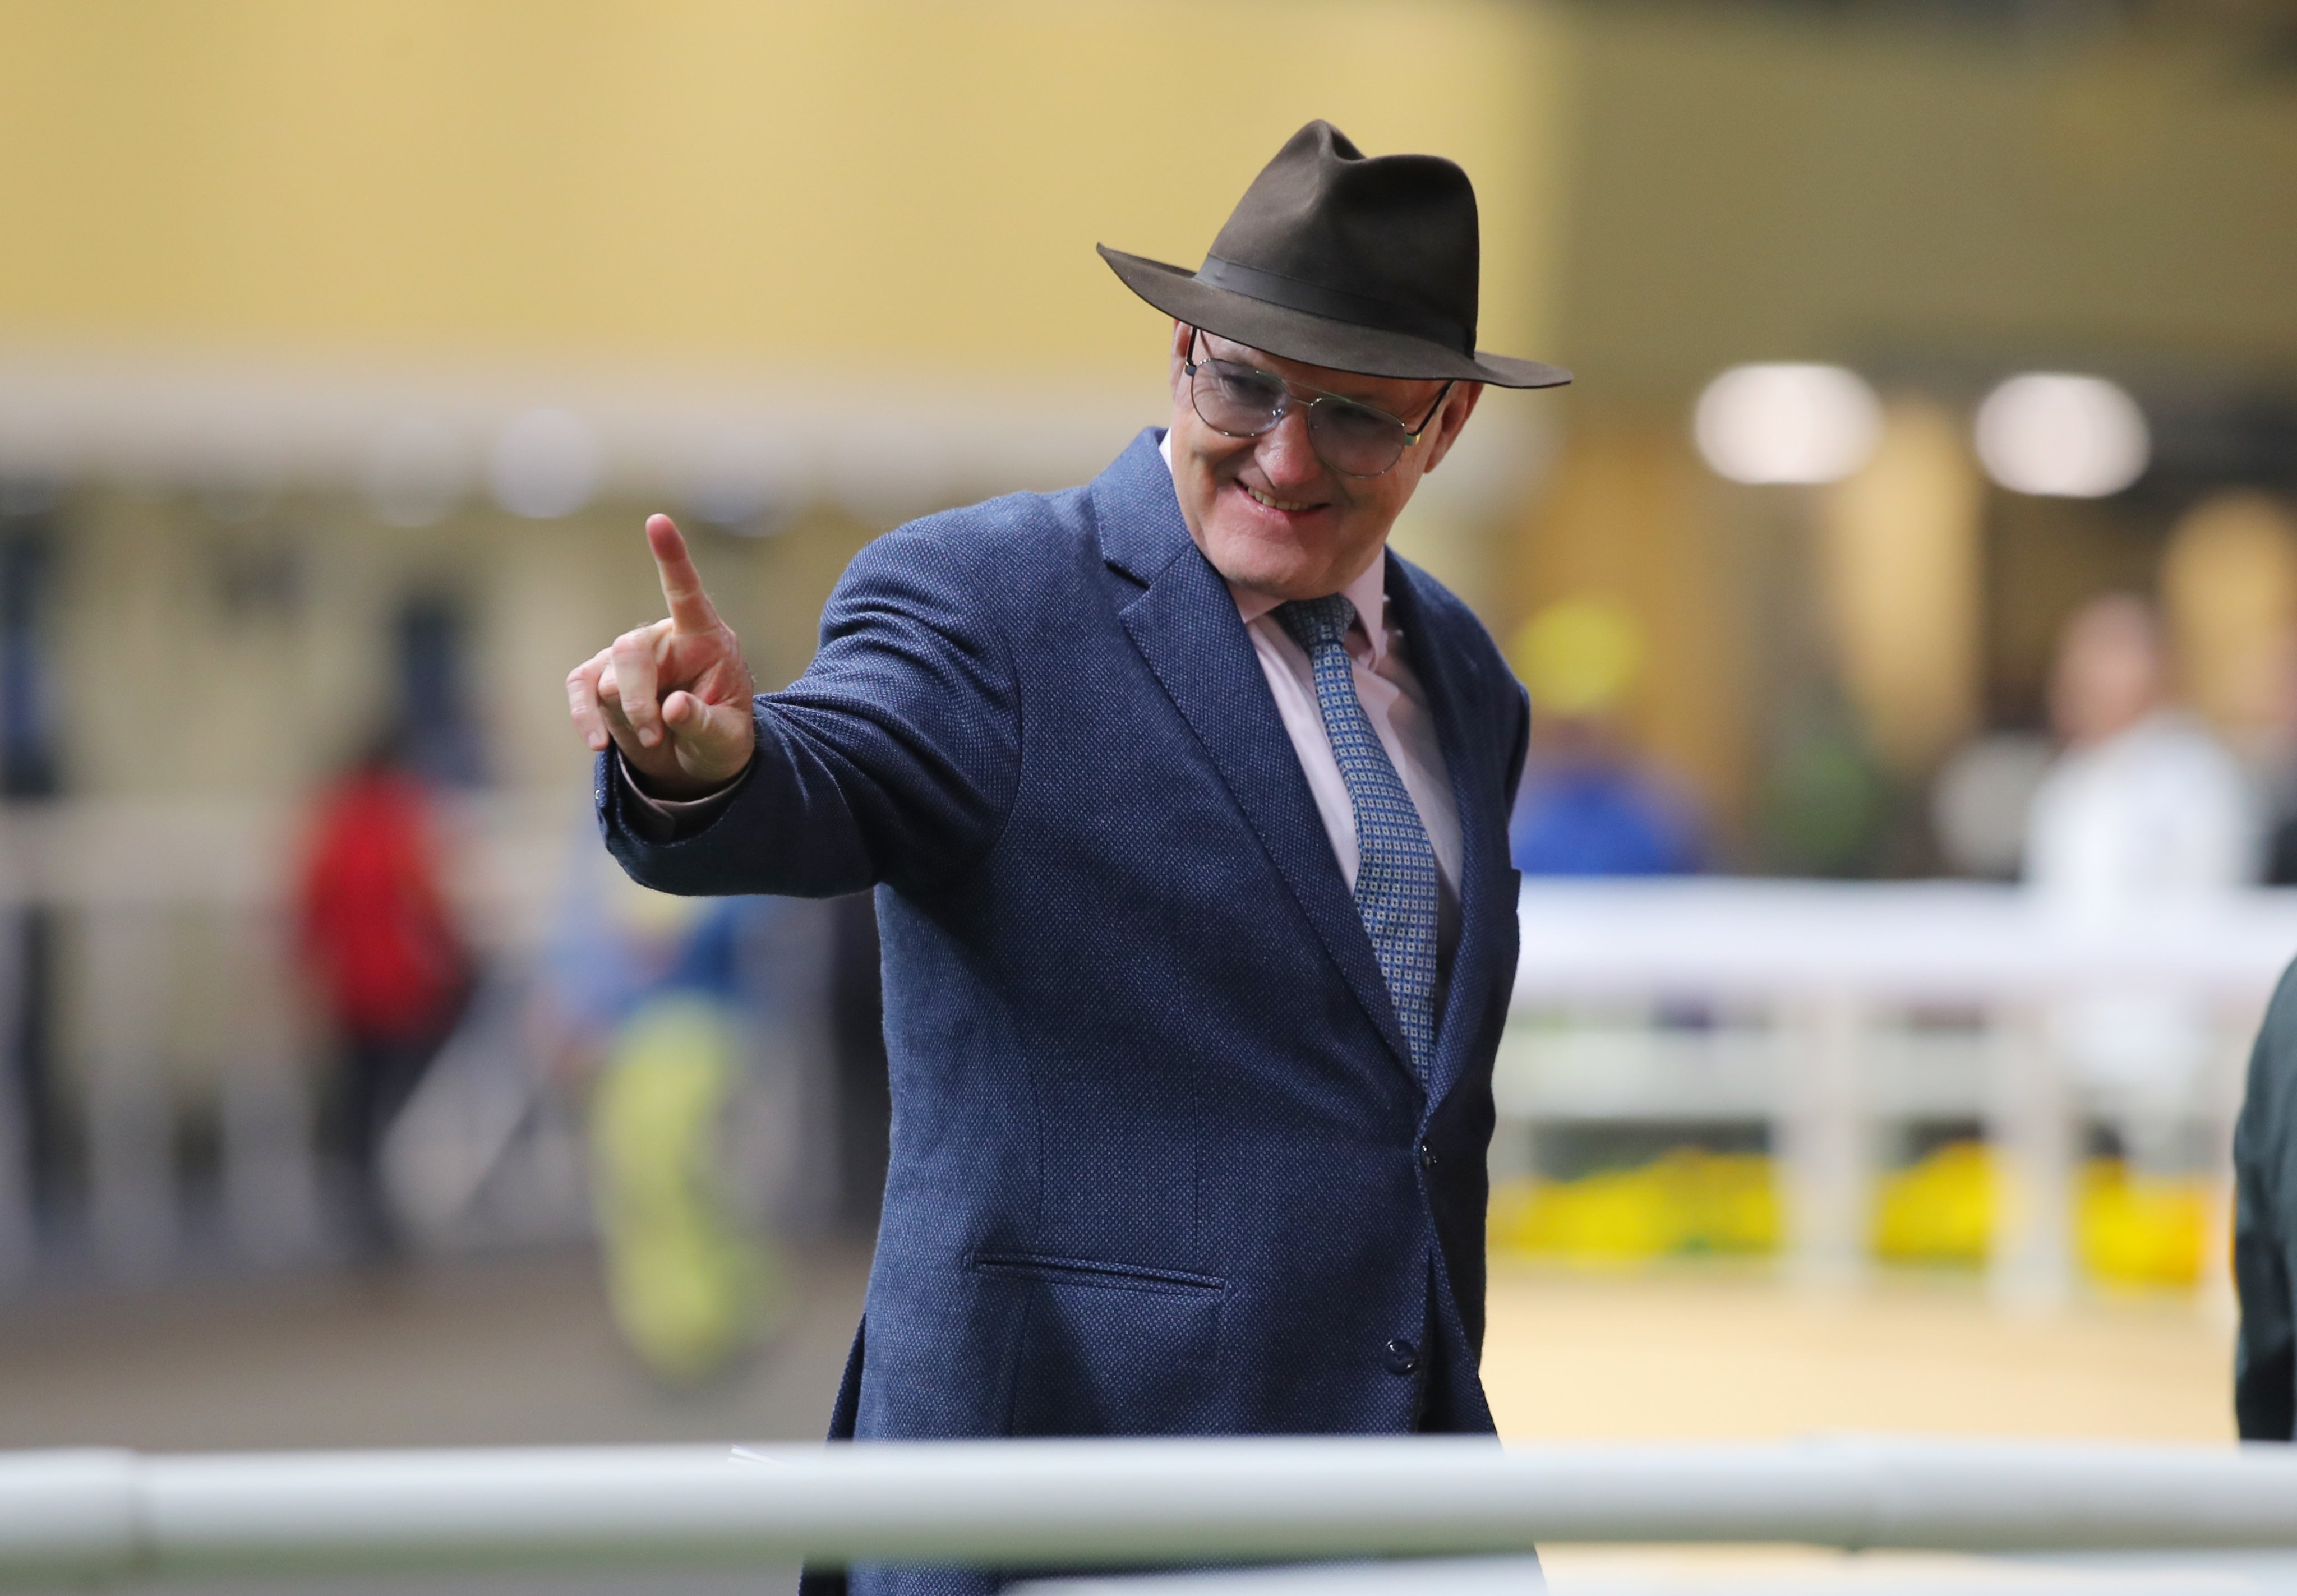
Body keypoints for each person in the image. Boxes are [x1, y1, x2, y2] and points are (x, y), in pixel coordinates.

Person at [566, 122, 1568, 1594]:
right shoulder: (986, 599)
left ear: (1446, 428)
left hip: (1399, 1480)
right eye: (1247, 383)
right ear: (1182, 354)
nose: (1285, 455)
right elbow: (837, 769)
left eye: (1357, 417)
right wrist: (703, 764)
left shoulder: (1468, 676)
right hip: (1066, 1483)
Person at [2023, 594, 2262, 1170]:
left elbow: (2207, 912)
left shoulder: (2196, 780)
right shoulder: (2067, 785)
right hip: (2073, 1062)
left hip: (2172, 1070)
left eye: (2113, 651)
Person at [296, 726, 472, 1258]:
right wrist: (457, 960)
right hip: (403, 992)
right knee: (402, 1107)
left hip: (350, 994)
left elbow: (310, 909)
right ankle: (387, 1218)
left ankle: (365, 1217)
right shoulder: (401, 817)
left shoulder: (333, 822)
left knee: (360, 1113)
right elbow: (429, 901)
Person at [1506, 597, 1700, 877]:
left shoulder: (1667, 817)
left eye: (1586, 725)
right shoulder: (1512, 818)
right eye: (1565, 726)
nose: (1575, 742)